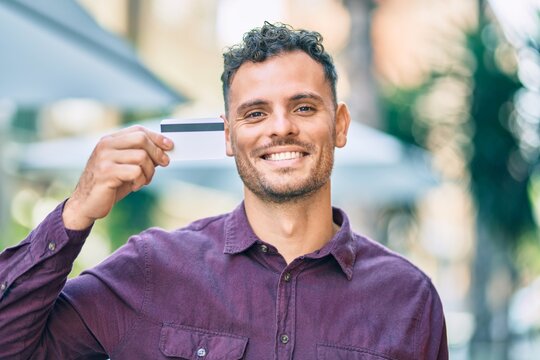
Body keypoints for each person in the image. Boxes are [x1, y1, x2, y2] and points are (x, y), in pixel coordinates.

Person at [0, 22, 448, 359]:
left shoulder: (408, 299)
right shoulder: (152, 268)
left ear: (340, 125)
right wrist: (76, 212)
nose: (281, 127)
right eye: (255, 114)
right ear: (229, 137)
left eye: (304, 107)